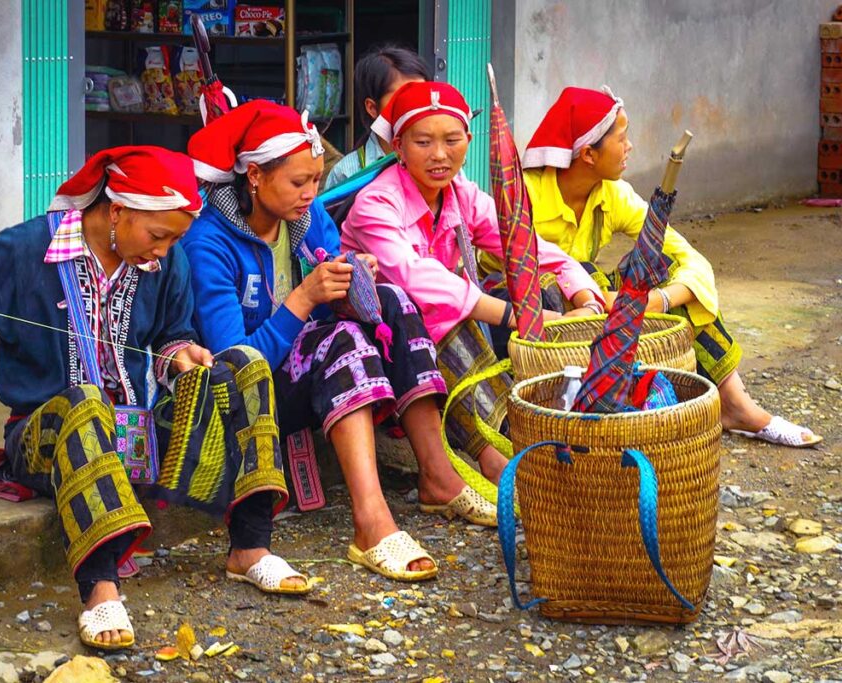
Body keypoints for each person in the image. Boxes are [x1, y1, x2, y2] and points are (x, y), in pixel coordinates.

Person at [0, 146, 310, 652]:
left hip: (132, 437)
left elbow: (173, 331)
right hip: (45, 437)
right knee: (83, 399)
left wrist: (180, 354)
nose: (165, 250)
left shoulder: (165, 260)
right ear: (117, 210)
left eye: (174, 238)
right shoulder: (27, 250)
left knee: (244, 365)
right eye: (158, 236)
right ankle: (100, 587)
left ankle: (249, 546)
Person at [183, 100, 497, 583]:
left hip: (307, 377)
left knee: (391, 297)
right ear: (253, 178)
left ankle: (437, 473)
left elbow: (337, 292)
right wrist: (307, 298)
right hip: (249, 401)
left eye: (314, 180)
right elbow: (236, 363)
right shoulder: (209, 243)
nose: (311, 193)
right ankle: (371, 521)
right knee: (343, 342)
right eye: (297, 183)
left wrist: (355, 284)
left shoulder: (305, 221)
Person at [477, 86, 822, 448]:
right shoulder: (525, 195)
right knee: (576, 272)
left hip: (590, 311)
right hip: (523, 322)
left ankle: (735, 404)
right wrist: (594, 292)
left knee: (661, 263)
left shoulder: (613, 193)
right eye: (622, 138)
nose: (630, 148)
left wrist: (659, 300)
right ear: (588, 154)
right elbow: (512, 273)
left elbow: (690, 259)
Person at [341, 82, 608, 483]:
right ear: (398, 146)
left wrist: (580, 290)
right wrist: (513, 315)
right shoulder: (376, 203)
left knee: (544, 287)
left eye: (451, 140)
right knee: (447, 312)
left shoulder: (463, 194)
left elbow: (524, 246)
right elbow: (416, 280)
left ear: (468, 140)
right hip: (385, 338)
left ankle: (553, 424)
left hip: (448, 322)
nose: (439, 155)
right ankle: (491, 450)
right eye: (423, 142)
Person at [322, 44, 431, 190]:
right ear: (372, 108)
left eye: (422, 97)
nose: (415, 108)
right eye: (403, 99)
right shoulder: (347, 173)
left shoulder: (439, 161)